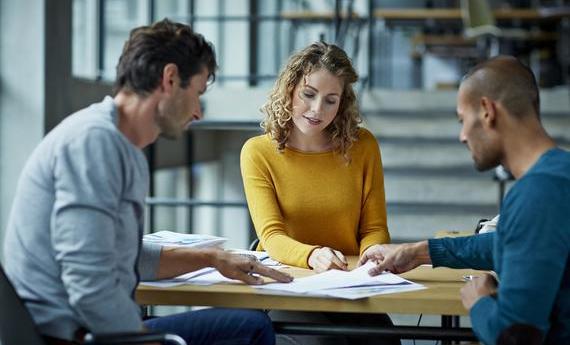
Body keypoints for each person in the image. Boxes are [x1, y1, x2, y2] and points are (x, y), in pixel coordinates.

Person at [2, 19, 292, 345]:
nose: (198, 112)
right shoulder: (94, 143)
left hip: (90, 328)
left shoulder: (120, 147)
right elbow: (90, 284)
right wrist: (148, 342)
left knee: (248, 326)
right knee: (250, 330)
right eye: (197, 94)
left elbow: (119, 254)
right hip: (68, 336)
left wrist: (212, 258)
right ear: (169, 79)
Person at [360, 56, 570, 345]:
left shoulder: (537, 194)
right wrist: (420, 252)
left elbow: (517, 336)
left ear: (487, 111)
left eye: (463, 120)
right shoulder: (560, 172)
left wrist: (480, 302)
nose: (462, 136)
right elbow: (508, 242)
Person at [240, 42, 397, 345]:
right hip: (288, 283)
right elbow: (271, 236)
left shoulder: (363, 146)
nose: (317, 110)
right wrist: (312, 255)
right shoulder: (258, 152)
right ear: (289, 90)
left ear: (343, 102)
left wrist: (371, 256)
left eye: (330, 100)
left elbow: (374, 228)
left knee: (386, 341)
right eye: (308, 95)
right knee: (324, 342)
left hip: (349, 282)